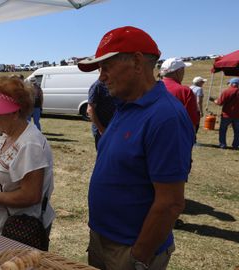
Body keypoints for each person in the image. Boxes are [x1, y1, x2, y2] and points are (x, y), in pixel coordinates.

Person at [78, 26, 195, 270]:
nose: (101, 76)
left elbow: (171, 203)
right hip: (103, 240)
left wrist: (138, 257)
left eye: (106, 67)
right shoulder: (125, 105)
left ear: (137, 61)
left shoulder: (165, 117)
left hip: (130, 250)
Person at [0, 76, 55, 249]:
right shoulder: (8, 135)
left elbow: (31, 195)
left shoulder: (30, 144)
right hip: (6, 226)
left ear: (15, 112)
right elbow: (4, 179)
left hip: (22, 231)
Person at [160, 58, 200, 132]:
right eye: (183, 70)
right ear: (178, 71)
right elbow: (191, 122)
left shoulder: (150, 88)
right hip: (176, 137)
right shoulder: (185, 91)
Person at [86, 79, 117, 150]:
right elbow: (90, 110)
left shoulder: (114, 84)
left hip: (114, 128)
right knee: (104, 155)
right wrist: (101, 129)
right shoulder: (97, 86)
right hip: (102, 129)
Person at [212, 78, 239, 149]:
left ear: (233, 83)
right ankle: (236, 145)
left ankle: (222, 144)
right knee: (237, 131)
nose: (229, 85)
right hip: (237, 115)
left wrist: (214, 101)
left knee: (223, 130)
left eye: (229, 83)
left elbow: (220, 103)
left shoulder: (226, 91)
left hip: (227, 115)